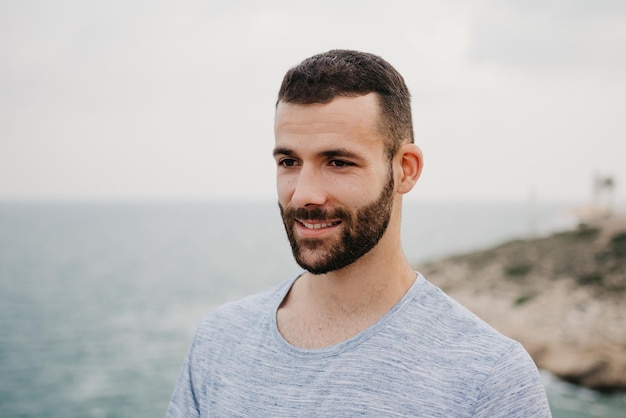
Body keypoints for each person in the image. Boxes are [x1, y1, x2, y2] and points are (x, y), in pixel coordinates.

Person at [166, 49, 551, 417]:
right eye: (289, 162)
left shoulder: (489, 378)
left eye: (338, 162)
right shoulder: (220, 342)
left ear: (406, 169)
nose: (304, 194)